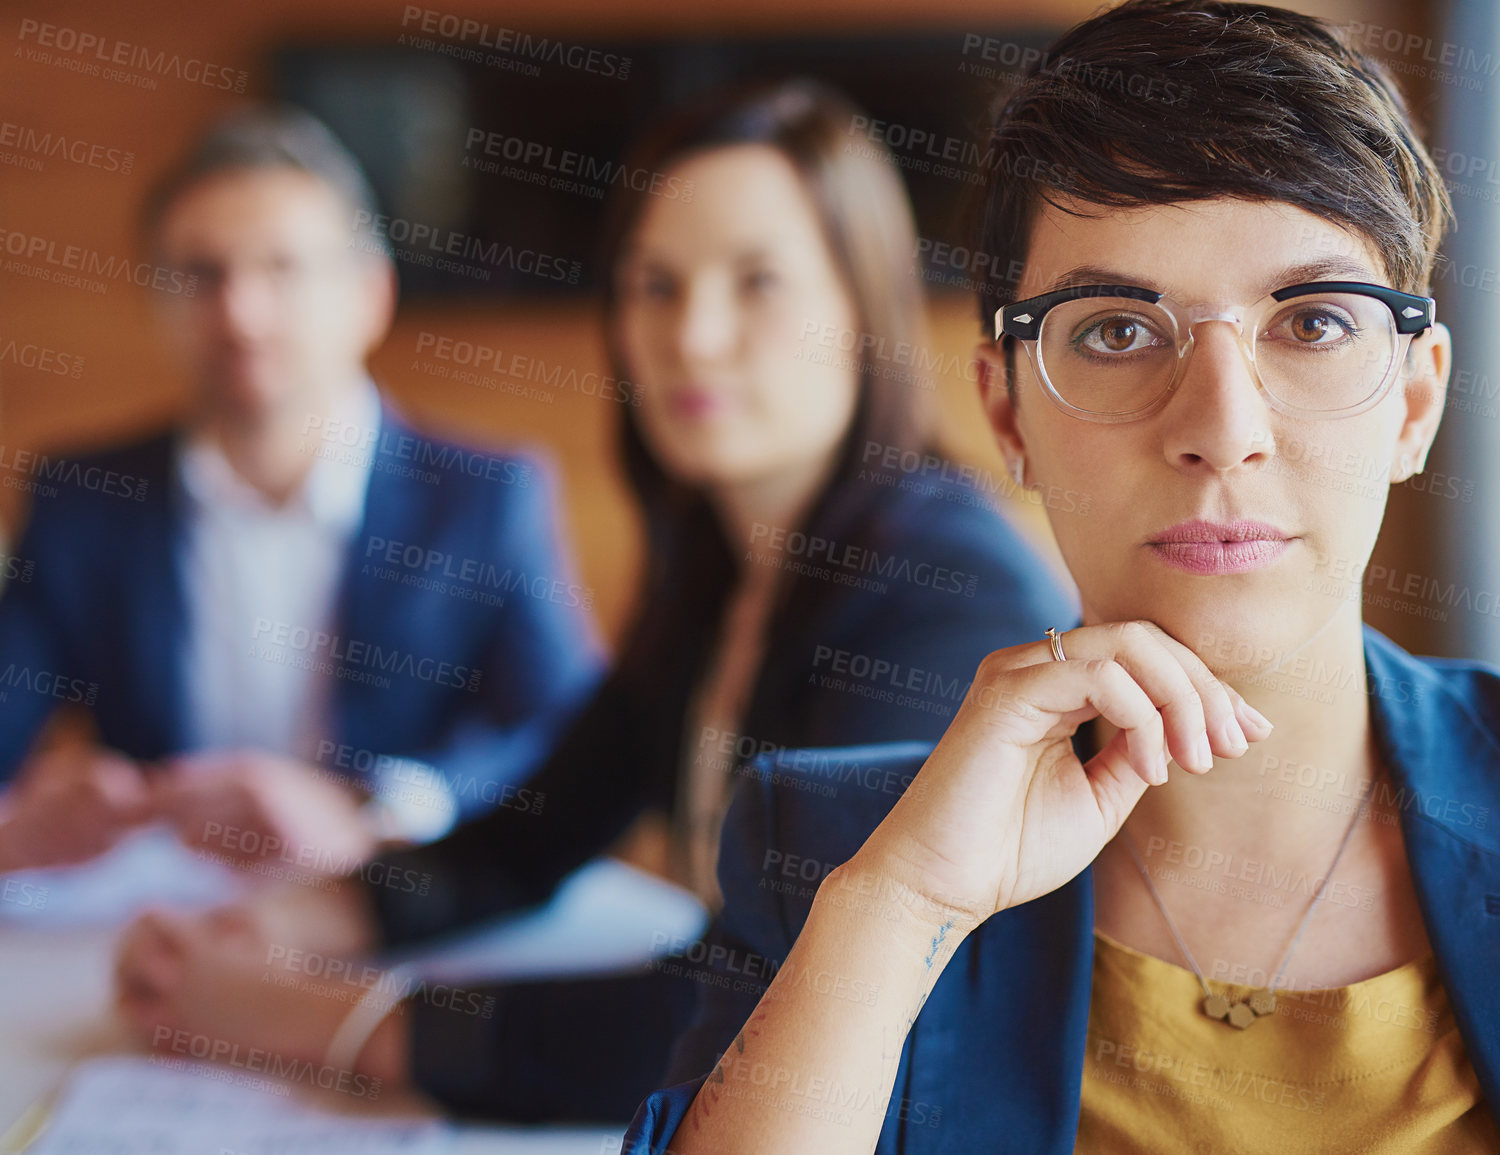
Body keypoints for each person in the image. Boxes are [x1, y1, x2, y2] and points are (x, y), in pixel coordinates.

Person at [621, 4, 1500, 1153]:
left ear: (1414, 403)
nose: (1223, 428)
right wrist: (903, 911)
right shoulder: (837, 851)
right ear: (1005, 411)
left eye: (1311, 322)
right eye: (1113, 331)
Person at [112, 79, 1076, 1123]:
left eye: (757, 282)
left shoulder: (948, 595)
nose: (693, 337)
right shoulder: (716, 563)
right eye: (654, 286)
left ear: (863, 305)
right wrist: (295, 918)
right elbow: (532, 831)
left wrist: (325, 1019)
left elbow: (764, 1004)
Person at [0, 106, 603, 875]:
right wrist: (22, 823)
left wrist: (377, 806)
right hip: (156, 906)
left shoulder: (487, 494)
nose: (240, 313)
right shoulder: (81, 496)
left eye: (282, 268)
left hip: (391, 900)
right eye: (201, 274)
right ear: (160, 304)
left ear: (369, 295)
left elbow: (563, 728)